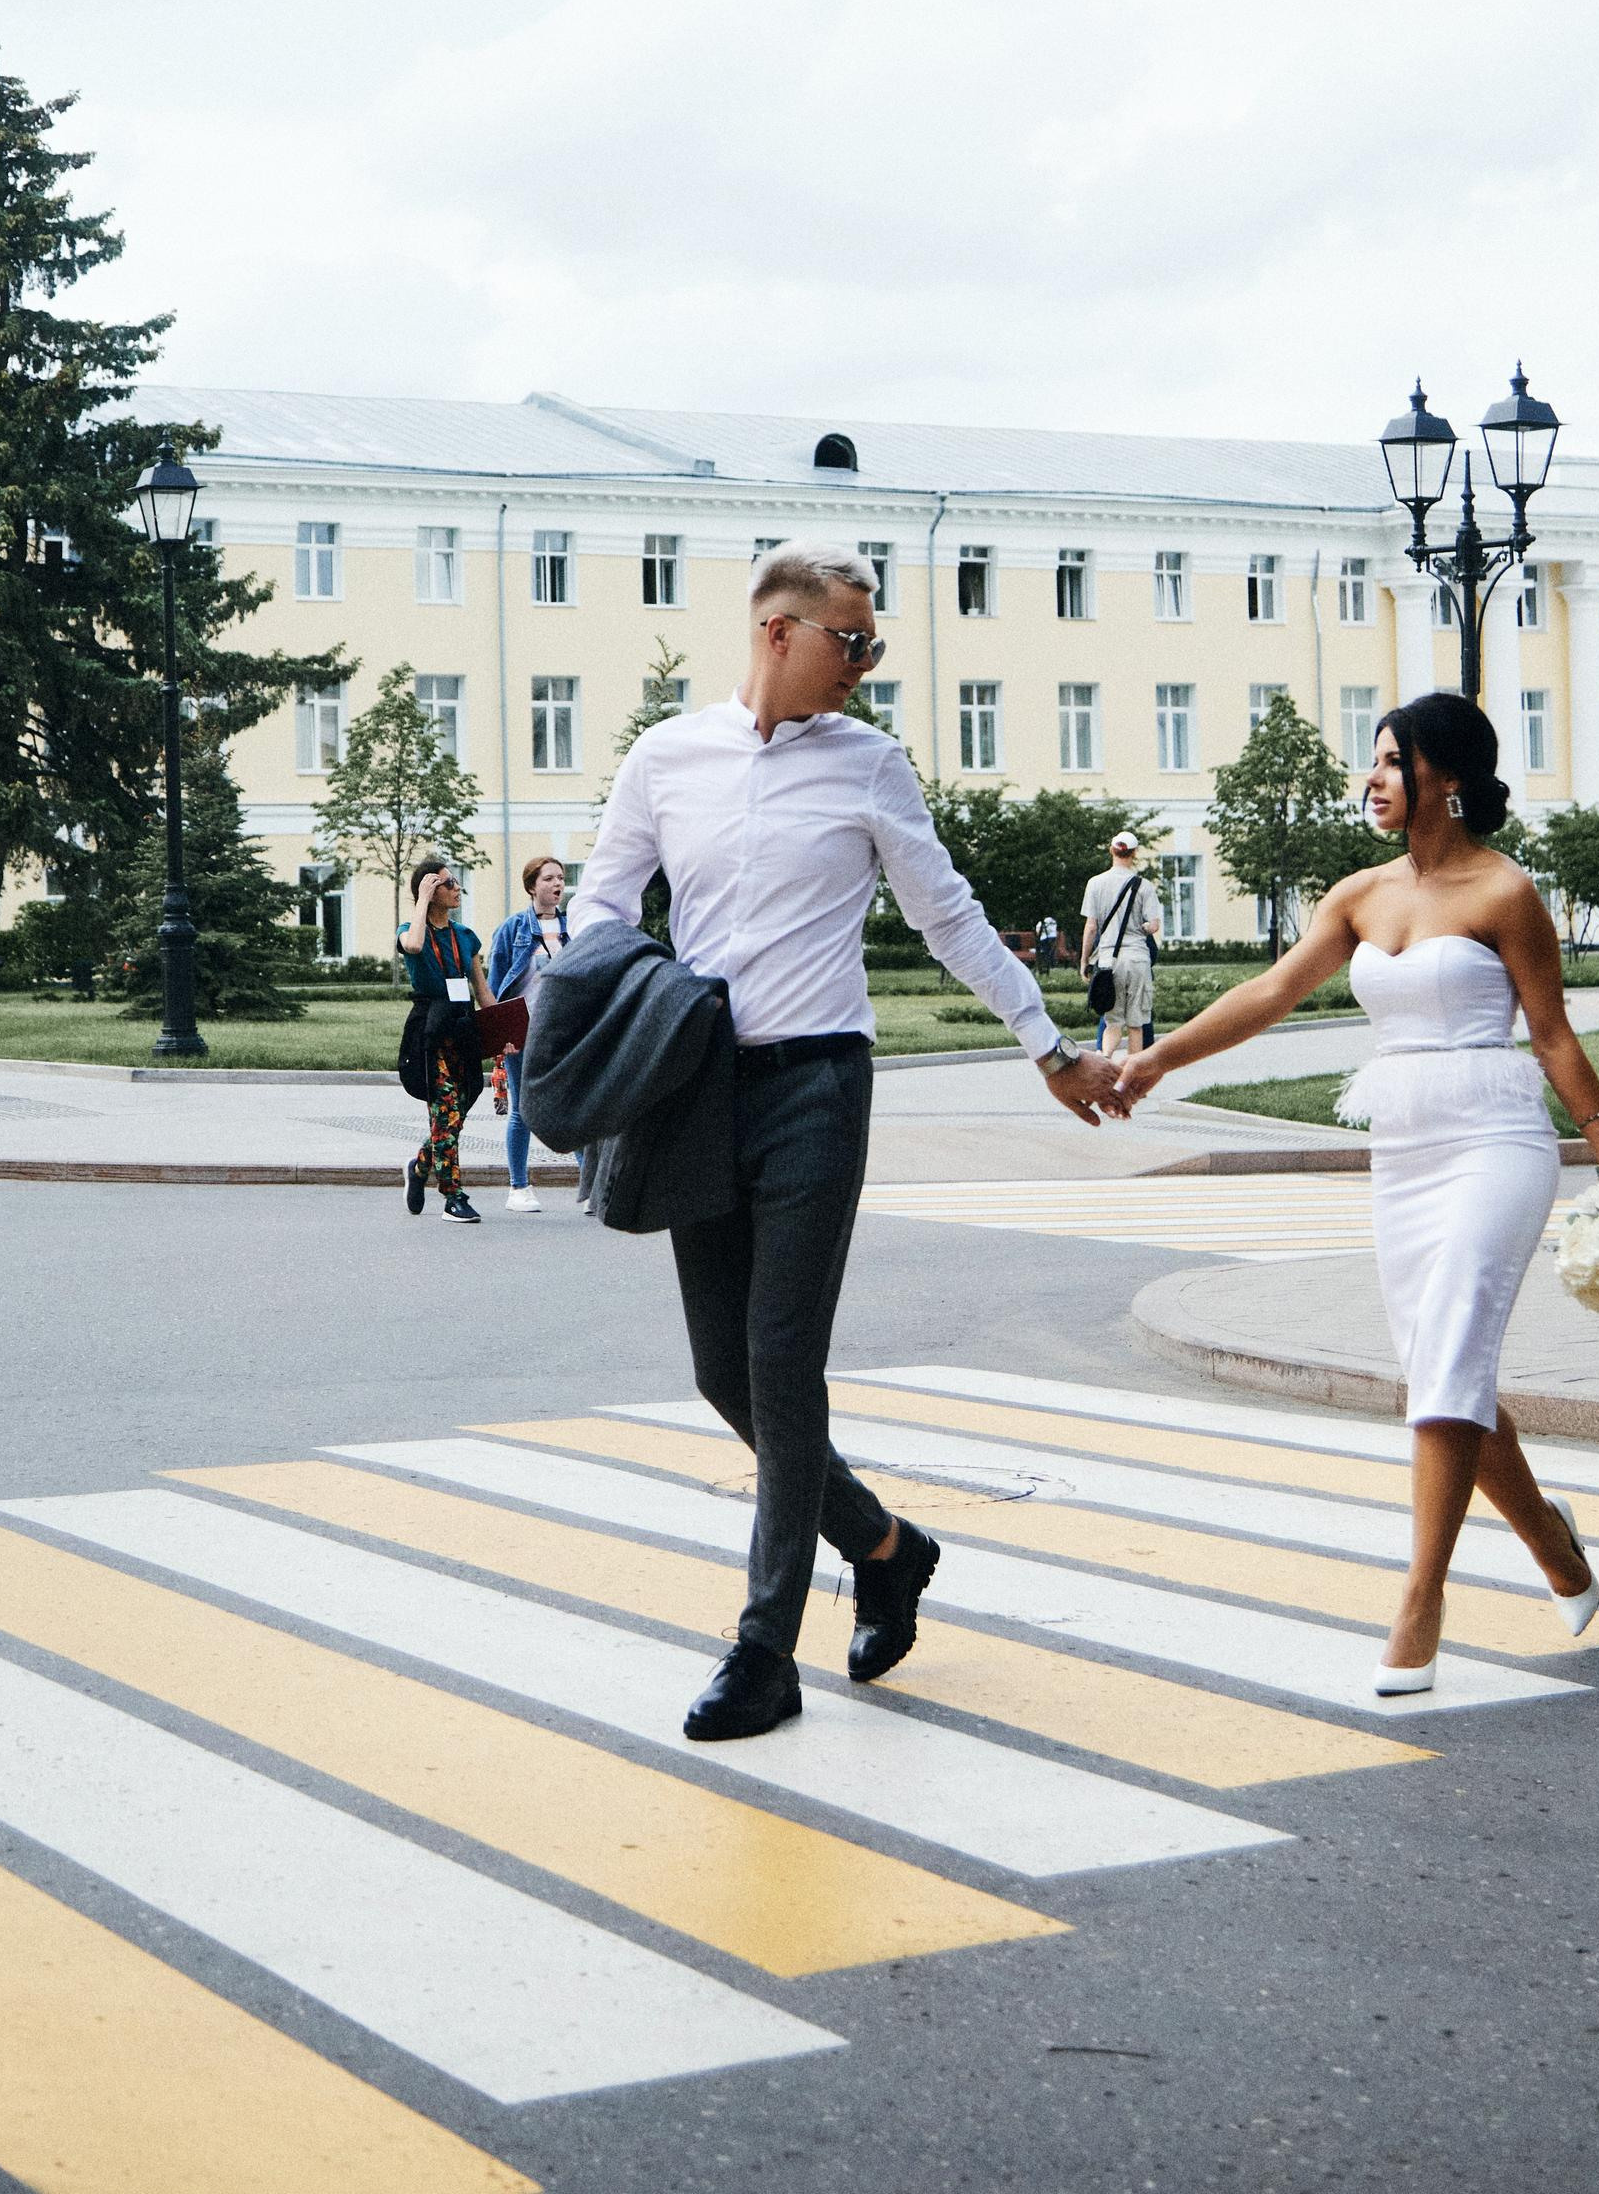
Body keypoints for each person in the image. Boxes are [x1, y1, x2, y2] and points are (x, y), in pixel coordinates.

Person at [573, 539, 1128, 1741]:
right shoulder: (665, 758)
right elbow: (601, 906)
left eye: (873, 647)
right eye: (851, 642)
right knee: (722, 1373)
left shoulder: (868, 764)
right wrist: (593, 1021)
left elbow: (948, 917)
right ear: (778, 631)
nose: (865, 666)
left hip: (818, 1087)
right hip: (697, 1089)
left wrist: (1046, 1047)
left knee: (779, 1366)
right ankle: (885, 1548)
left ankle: (762, 1651)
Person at [1115, 691, 1599, 1696]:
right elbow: (1269, 993)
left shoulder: (1505, 893)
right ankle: (1553, 1546)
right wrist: (1156, 1060)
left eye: (1393, 760)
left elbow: (1552, 1033)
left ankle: (1419, 1602)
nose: (1373, 776)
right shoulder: (1357, 895)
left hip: (1495, 1142)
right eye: (1374, 758)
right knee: (1443, 1367)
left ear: (1447, 776)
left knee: (1450, 1352)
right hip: (1406, 1155)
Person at [397, 859, 500, 1226]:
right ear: (429, 890)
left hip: (463, 1026)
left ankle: (420, 1165)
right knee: (446, 1111)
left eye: (456, 882)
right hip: (431, 1029)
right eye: (449, 883)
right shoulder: (410, 930)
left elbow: (482, 990)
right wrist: (422, 902)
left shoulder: (465, 936)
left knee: (458, 1110)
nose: (458, 888)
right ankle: (453, 1196)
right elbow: (414, 945)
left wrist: (503, 1035)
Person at [488, 855, 585, 1213]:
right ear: (532, 886)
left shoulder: (573, 927)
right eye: (549, 879)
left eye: (561, 878)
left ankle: (589, 1185)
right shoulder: (512, 929)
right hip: (522, 1031)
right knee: (522, 1110)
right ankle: (518, 1187)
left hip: (563, 1030)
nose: (558, 884)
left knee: (573, 1106)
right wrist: (500, 1033)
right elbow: (495, 985)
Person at [1080, 830, 1162, 1061]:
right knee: (1136, 1024)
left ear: (1111, 850)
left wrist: (1084, 961)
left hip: (1108, 960)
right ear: (1134, 853)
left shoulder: (1095, 883)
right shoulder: (1144, 886)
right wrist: (1143, 927)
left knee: (1112, 1023)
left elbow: (1091, 927)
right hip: (1137, 959)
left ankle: (1105, 1058)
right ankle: (1131, 1071)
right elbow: (1154, 926)